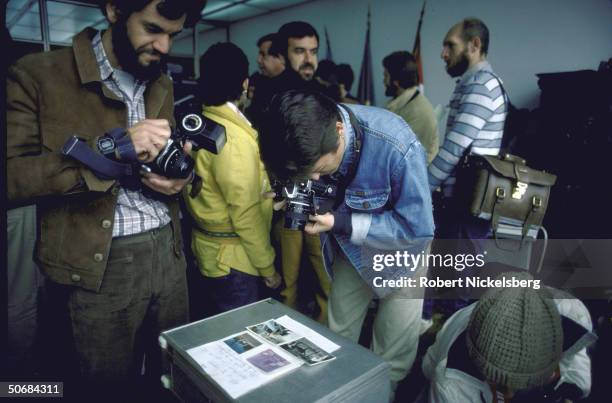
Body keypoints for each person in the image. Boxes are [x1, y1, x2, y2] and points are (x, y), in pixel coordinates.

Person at [6, 0, 206, 399]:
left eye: (173, 35)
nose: (164, 46)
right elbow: (12, 176)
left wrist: (182, 179)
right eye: (152, 29)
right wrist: (111, 148)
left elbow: (170, 158)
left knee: (172, 376)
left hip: (170, 253)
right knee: (103, 386)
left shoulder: (161, 82)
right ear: (115, 10)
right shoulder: (38, 74)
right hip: (98, 266)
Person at [259, 90, 434, 397]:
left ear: (339, 131)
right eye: (306, 173)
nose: (313, 177)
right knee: (338, 337)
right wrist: (296, 196)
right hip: (351, 252)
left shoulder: (396, 144)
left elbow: (418, 229)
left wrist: (340, 222)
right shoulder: (308, 132)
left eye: (319, 170)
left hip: (405, 253)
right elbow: (309, 175)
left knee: (392, 352)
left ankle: (383, 395)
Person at [185, 42, 281, 315]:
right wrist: (268, 268)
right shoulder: (234, 138)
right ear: (245, 83)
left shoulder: (201, 123)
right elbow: (245, 213)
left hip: (209, 251)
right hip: (236, 262)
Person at [423, 272, 596, 403]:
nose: (510, 394)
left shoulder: (570, 316)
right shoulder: (450, 386)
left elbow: (579, 379)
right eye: (503, 383)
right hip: (438, 368)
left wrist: (560, 384)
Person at [383, 51, 439, 163]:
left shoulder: (419, 112)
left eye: (386, 76)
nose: (383, 81)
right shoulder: (403, 103)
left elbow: (400, 154)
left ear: (396, 82)